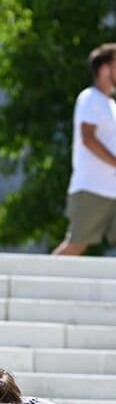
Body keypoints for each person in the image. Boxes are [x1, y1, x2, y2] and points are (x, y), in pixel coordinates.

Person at [53, 43, 116, 256]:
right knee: (76, 246)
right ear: (104, 68)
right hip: (92, 188)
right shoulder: (90, 98)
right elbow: (88, 138)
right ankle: (40, 276)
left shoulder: (111, 105)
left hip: (112, 189)